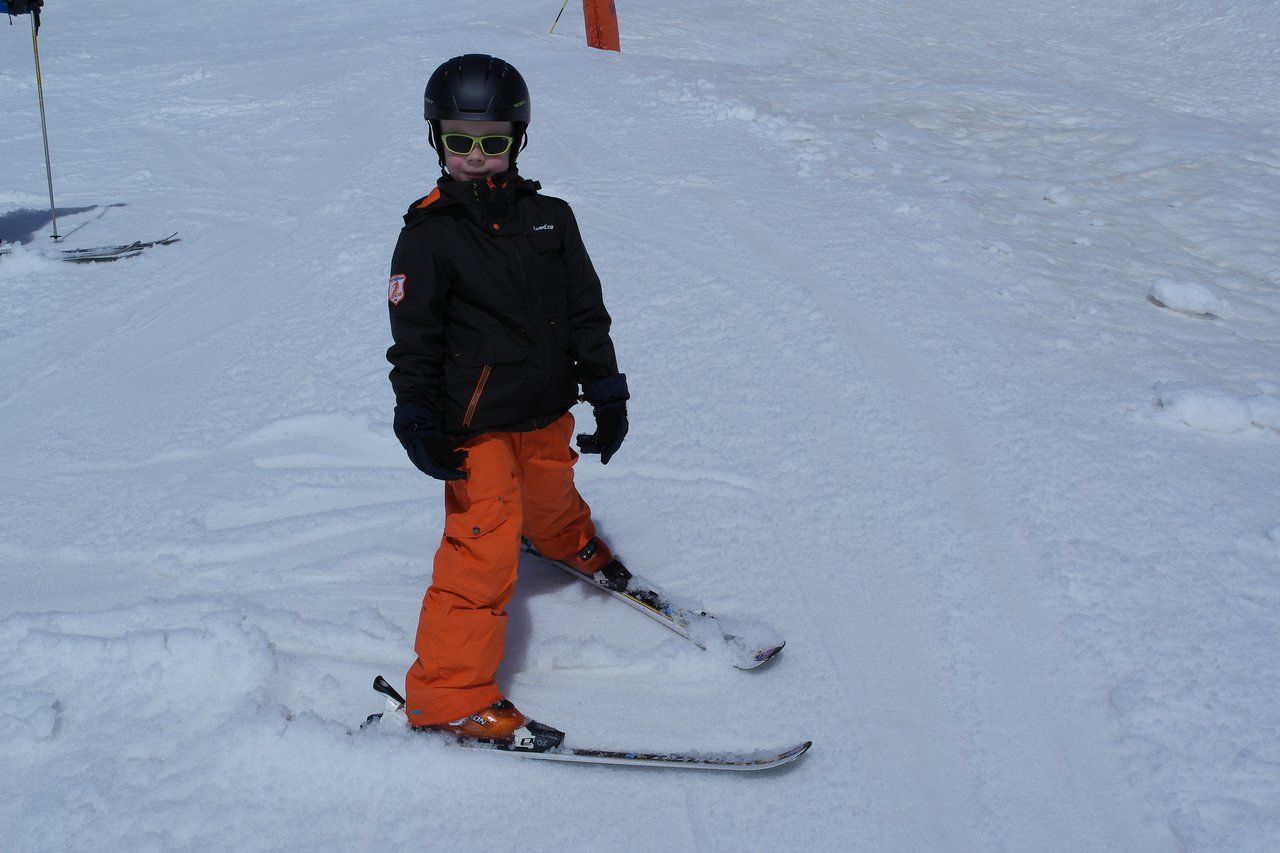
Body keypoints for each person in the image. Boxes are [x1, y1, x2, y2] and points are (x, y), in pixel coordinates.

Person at [385, 54, 630, 742]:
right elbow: (415, 342)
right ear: (437, 138)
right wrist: (416, 418)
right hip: (476, 428)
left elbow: (586, 312)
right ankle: (448, 694)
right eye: (459, 140)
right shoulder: (428, 235)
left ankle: (561, 539)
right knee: (479, 554)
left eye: (492, 141)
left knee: (552, 485)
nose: (475, 157)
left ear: (517, 139)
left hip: (547, 406)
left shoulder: (552, 218)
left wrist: (607, 393)